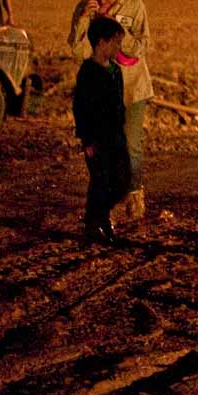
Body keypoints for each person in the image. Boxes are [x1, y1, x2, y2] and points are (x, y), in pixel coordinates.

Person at [69, 0, 153, 223]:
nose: (101, 0)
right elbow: (79, 51)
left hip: (131, 87)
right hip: (101, 91)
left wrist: (113, 26)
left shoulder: (135, 6)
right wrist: (85, 19)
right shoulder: (85, 7)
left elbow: (140, 48)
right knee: (101, 148)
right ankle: (103, 207)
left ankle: (134, 196)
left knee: (130, 145)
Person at [74, 16, 131, 244]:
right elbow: (81, 107)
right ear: (101, 42)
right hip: (97, 138)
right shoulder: (88, 72)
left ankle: (99, 215)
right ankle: (94, 223)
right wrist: (87, 140)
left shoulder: (115, 71)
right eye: (115, 42)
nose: (119, 47)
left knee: (122, 181)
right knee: (101, 180)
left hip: (116, 135)